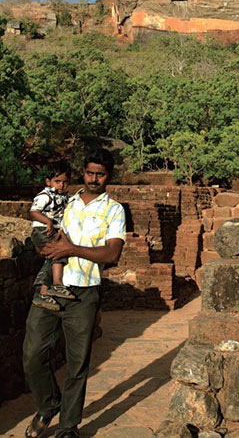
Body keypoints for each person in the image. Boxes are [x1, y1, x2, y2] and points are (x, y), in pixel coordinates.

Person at [23, 148, 126, 438]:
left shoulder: (114, 210)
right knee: (32, 355)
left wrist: (71, 249)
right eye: (89, 172)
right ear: (83, 172)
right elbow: (41, 230)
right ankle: (48, 404)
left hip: (84, 291)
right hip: (52, 285)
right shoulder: (64, 202)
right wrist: (43, 245)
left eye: (101, 174)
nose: (94, 179)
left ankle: (68, 426)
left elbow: (112, 253)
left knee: (77, 362)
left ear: (109, 176)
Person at [30, 161, 75, 310]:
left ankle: (43, 291)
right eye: (57, 181)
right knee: (57, 254)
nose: (61, 185)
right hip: (42, 230)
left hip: (54, 231)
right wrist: (47, 221)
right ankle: (56, 283)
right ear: (48, 182)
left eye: (64, 182)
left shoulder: (65, 197)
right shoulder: (45, 196)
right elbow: (34, 212)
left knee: (53, 257)